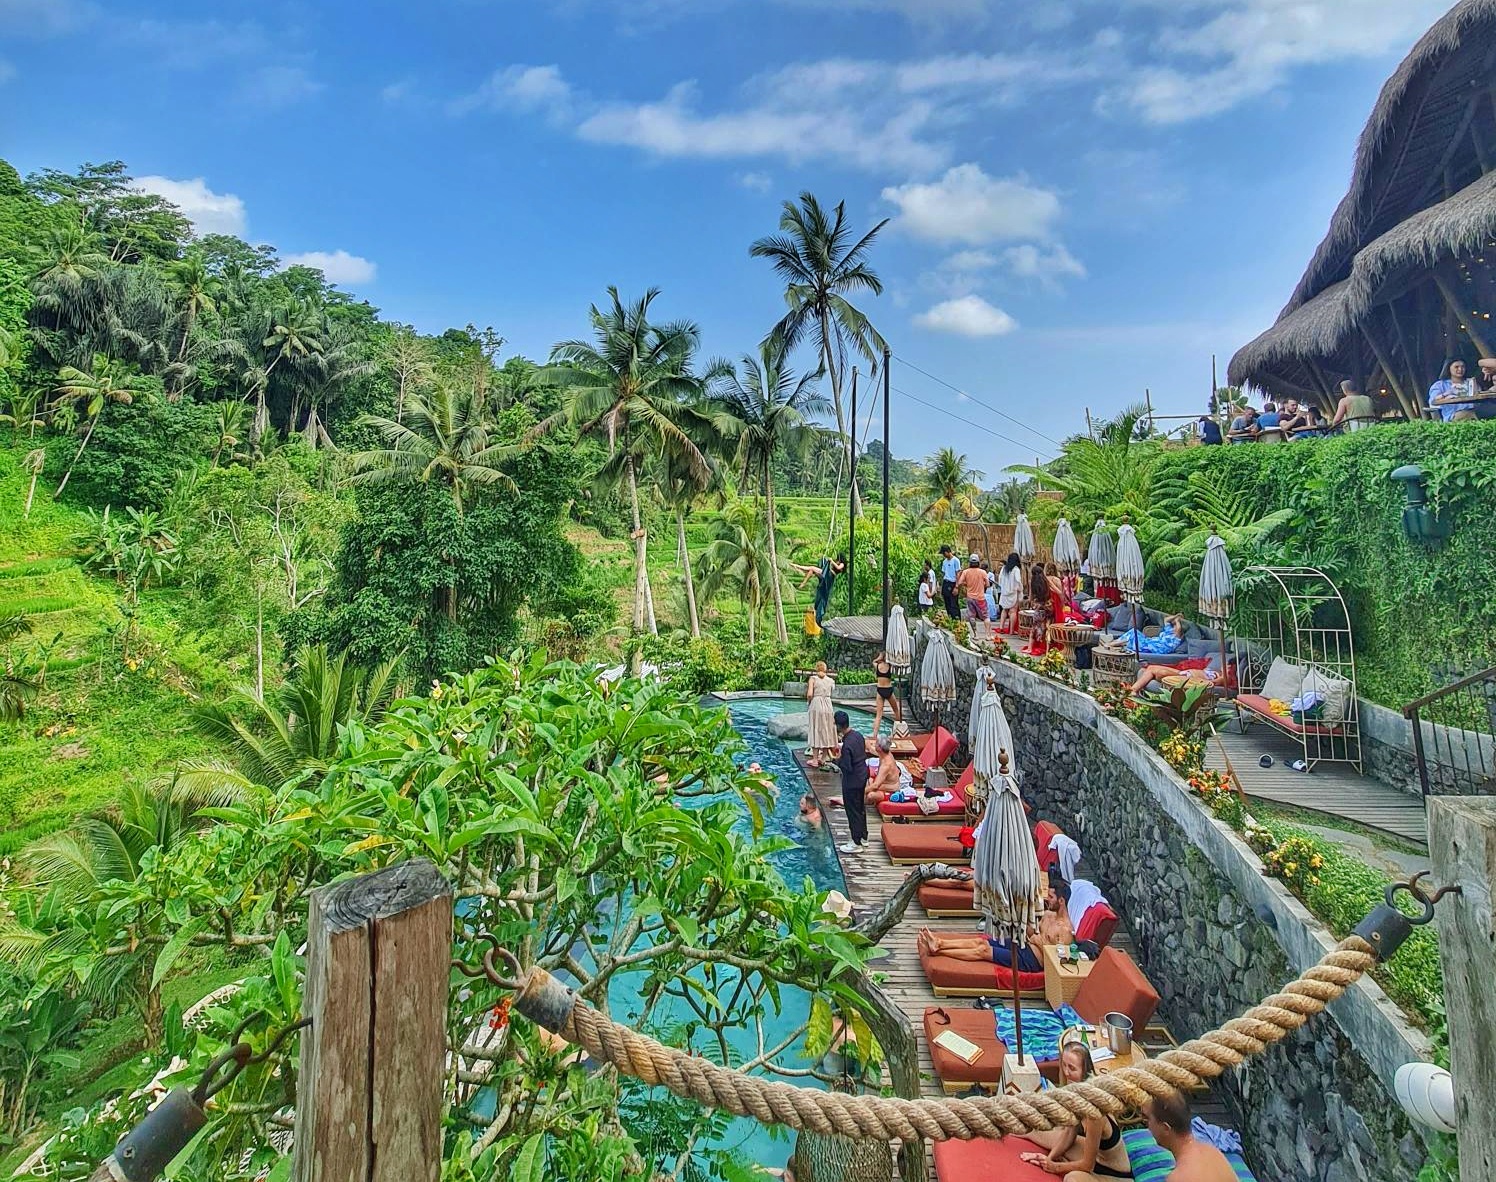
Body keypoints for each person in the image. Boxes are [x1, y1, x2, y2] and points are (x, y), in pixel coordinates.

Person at [1020, 1041, 1136, 1178]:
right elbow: (1069, 1135)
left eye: (1072, 1068)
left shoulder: (1094, 1110)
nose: (1067, 1073)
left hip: (1112, 1173)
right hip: (1095, 1155)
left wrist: (1056, 1167)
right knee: (1036, 1130)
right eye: (1064, 1065)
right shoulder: (1076, 1097)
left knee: (1073, 1178)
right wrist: (1048, 1159)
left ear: (1084, 1071)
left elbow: (1088, 1165)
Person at [917, 883, 1074, 973]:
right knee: (980, 941)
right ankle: (939, 943)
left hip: (1031, 961)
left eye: (1051, 897)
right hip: (1023, 945)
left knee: (983, 951)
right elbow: (1032, 933)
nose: (1047, 899)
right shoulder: (1047, 915)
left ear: (1061, 901)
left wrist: (1037, 941)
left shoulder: (1065, 931)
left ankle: (938, 950)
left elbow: (1056, 960)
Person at [1143, 1089, 1237, 1181]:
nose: (1148, 1126)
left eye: (1149, 1120)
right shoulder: (1213, 1152)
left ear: (1165, 1128)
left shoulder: (1178, 1178)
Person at [833, 711, 869, 854]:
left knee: (852, 810)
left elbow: (847, 766)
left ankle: (856, 842)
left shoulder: (847, 745)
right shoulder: (858, 735)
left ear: (838, 726)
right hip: (862, 776)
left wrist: (836, 760)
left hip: (852, 781)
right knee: (860, 808)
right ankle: (864, 837)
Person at [794, 556, 847, 625]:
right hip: (828, 574)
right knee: (811, 570)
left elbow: (838, 567)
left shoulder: (842, 564)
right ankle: (798, 569)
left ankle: (799, 573)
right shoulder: (838, 562)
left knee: (812, 569)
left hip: (829, 576)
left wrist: (831, 561)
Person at [805, 661, 837, 768]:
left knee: (816, 729)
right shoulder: (831, 680)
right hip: (828, 705)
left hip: (817, 704)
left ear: (816, 668)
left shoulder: (813, 679)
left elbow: (810, 694)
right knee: (827, 729)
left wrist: (809, 702)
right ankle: (823, 758)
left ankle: (814, 760)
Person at [1109, 613, 1186, 656]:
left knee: (1134, 636)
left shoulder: (1176, 638)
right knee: (1134, 631)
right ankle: (1118, 642)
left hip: (1157, 648)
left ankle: (1115, 643)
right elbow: (1166, 619)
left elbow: (1179, 628)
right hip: (1152, 642)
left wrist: (1177, 620)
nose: (1175, 627)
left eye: (1176, 626)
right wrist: (1176, 616)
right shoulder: (1169, 630)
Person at [956, 553, 989, 637]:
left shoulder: (966, 572)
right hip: (980, 598)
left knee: (972, 616)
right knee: (986, 616)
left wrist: (966, 584)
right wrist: (982, 584)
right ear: (978, 562)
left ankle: (975, 634)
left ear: (970, 563)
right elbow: (988, 585)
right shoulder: (983, 572)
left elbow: (959, 582)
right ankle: (988, 635)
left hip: (970, 597)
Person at [871, 650, 903, 733]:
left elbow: (873, 661)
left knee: (878, 715)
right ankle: (900, 729)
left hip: (880, 690)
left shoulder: (877, 665)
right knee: (896, 710)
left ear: (882, 657)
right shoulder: (890, 666)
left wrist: (879, 657)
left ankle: (874, 735)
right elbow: (897, 666)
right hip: (888, 689)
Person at [996, 551, 1024, 635]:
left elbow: (1000, 580)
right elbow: (1018, 581)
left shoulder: (1004, 569)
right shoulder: (1016, 569)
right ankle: (1011, 630)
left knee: (1004, 610)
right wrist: (1020, 589)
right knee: (1013, 611)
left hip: (1004, 592)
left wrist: (1003, 588)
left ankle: (1001, 627)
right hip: (1013, 593)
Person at [939, 545, 961, 617]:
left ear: (947, 552)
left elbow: (958, 573)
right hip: (946, 582)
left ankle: (957, 619)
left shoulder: (955, 560)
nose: (944, 555)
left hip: (953, 583)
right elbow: (944, 573)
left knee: (953, 604)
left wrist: (956, 586)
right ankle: (950, 618)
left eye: (944, 553)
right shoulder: (944, 562)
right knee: (947, 603)